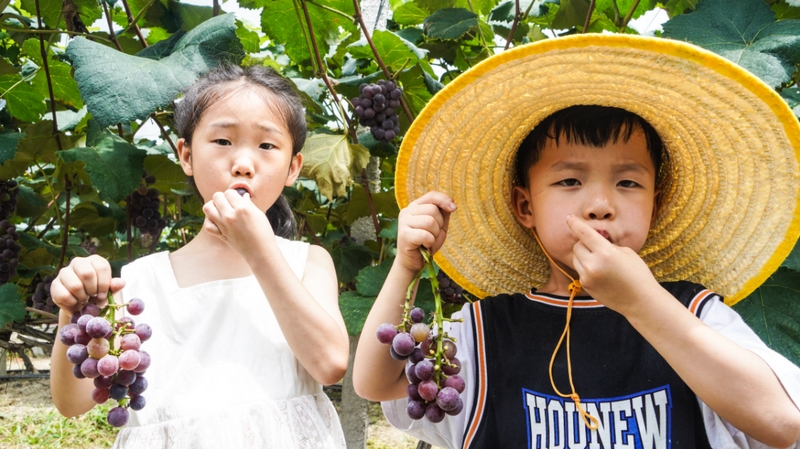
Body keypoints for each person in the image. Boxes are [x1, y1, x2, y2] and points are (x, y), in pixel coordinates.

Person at [353, 34, 800, 448]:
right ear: (525, 206)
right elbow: (377, 383)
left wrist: (643, 303)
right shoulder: (485, 331)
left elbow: (783, 423)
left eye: (628, 183)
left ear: (656, 206)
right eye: (570, 180)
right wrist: (405, 268)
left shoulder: (696, 316)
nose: (601, 204)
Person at [49, 65, 349, 448]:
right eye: (223, 141)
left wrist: (259, 251)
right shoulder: (141, 280)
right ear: (186, 156)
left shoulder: (308, 262)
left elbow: (330, 364)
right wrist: (74, 309)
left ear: (293, 168)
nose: (243, 163)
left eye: (267, 146)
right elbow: (72, 402)